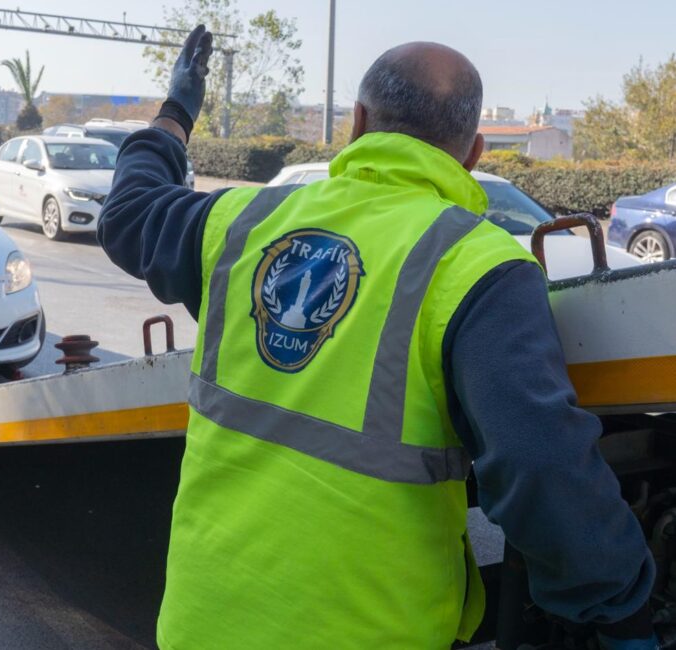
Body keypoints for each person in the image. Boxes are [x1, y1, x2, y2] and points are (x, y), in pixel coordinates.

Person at [98, 27, 657, 650]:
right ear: (472, 152)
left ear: (357, 122)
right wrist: (615, 606)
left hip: (204, 621)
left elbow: (128, 213)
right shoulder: (479, 268)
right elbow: (540, 465)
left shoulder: (240, 223)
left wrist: (176, 113)